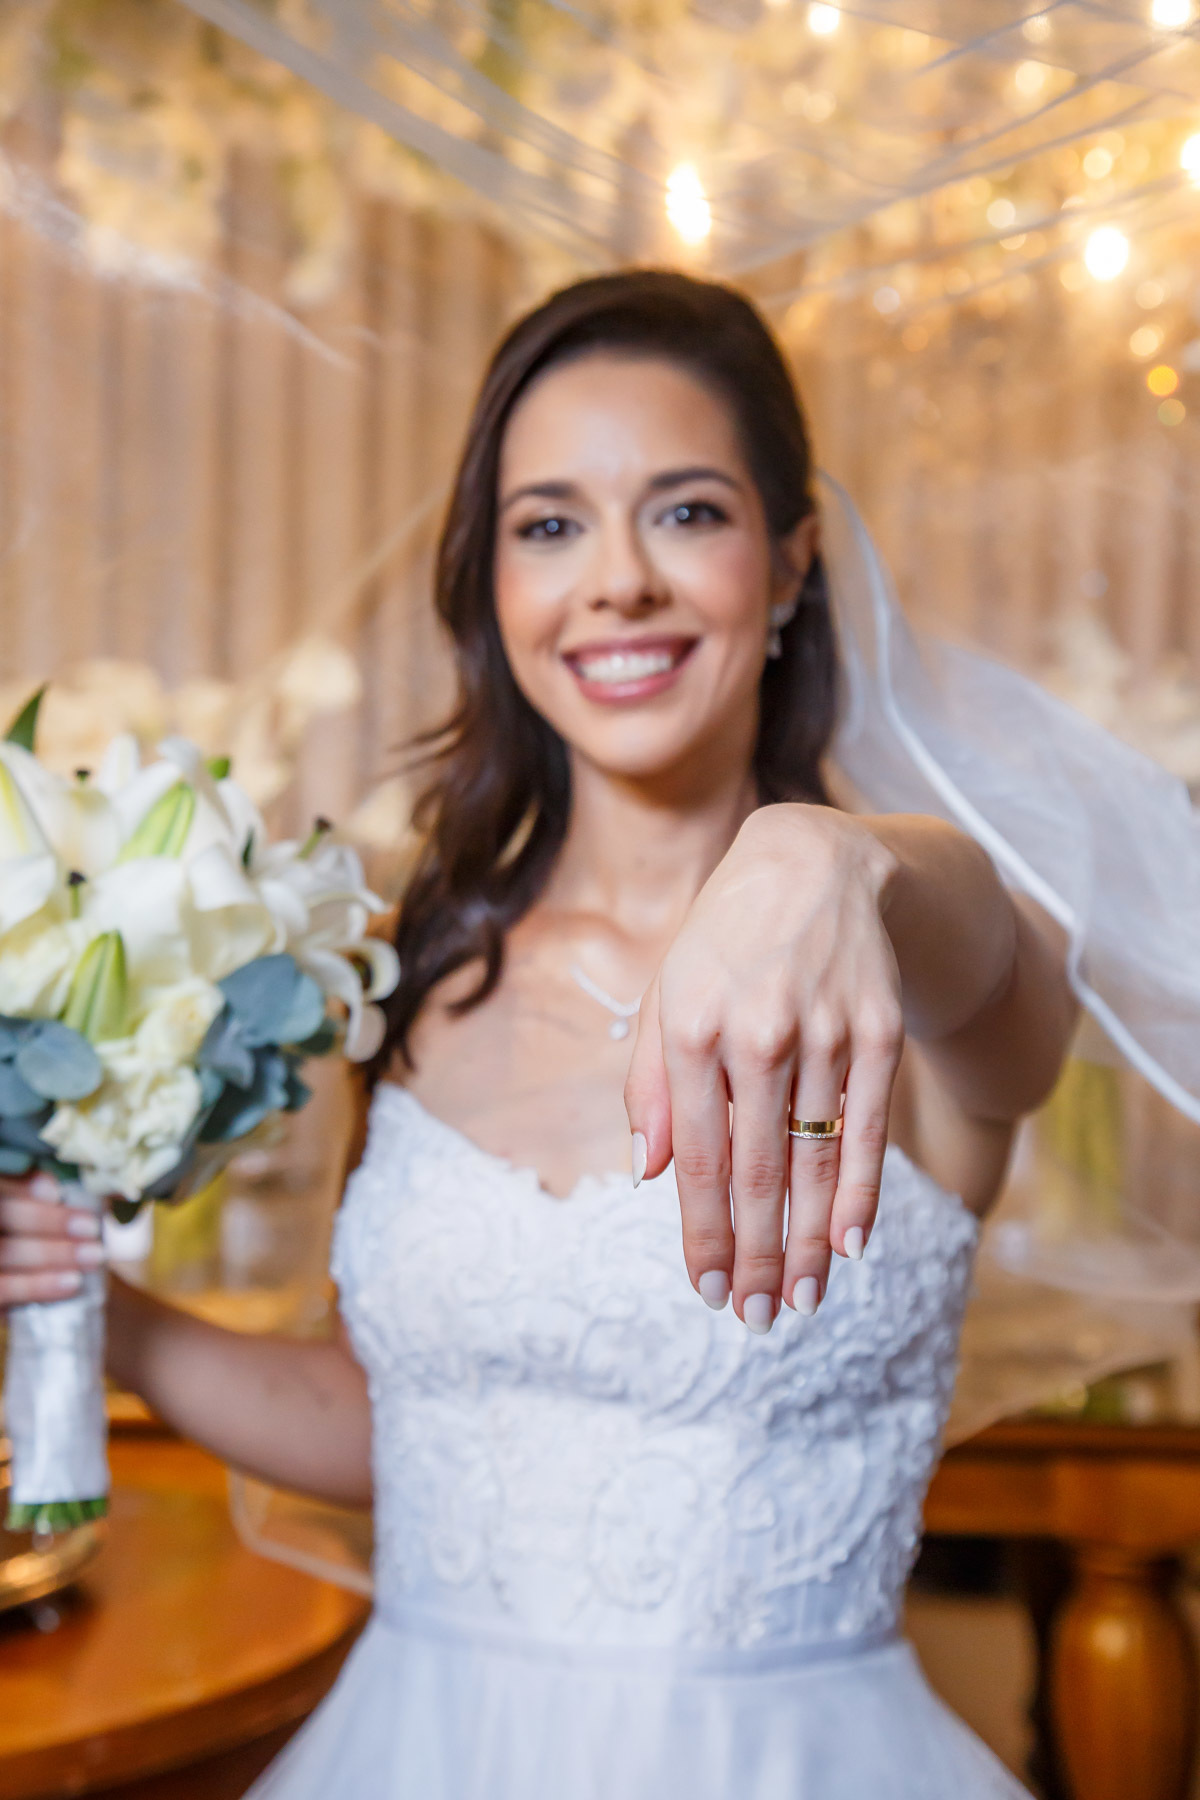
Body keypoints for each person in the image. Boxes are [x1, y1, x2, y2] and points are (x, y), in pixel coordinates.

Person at [0, 272, 1076, 1798]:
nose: (616, 581)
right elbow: (402, 1427)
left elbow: (1020, 1001)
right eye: (550, 524)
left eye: (686, 512)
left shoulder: (897, 955)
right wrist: (107, 1318)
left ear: (790, 563)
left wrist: (828, 857)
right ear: (491, 584)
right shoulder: (418, 967)